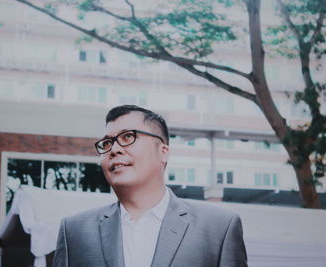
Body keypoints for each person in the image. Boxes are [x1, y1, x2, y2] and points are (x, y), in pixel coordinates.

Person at [52, 105, 247, 267]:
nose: (114, 149)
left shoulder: (219, 228)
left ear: (163, 152)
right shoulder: (74, 231)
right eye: (107, 143)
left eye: (128, 137)